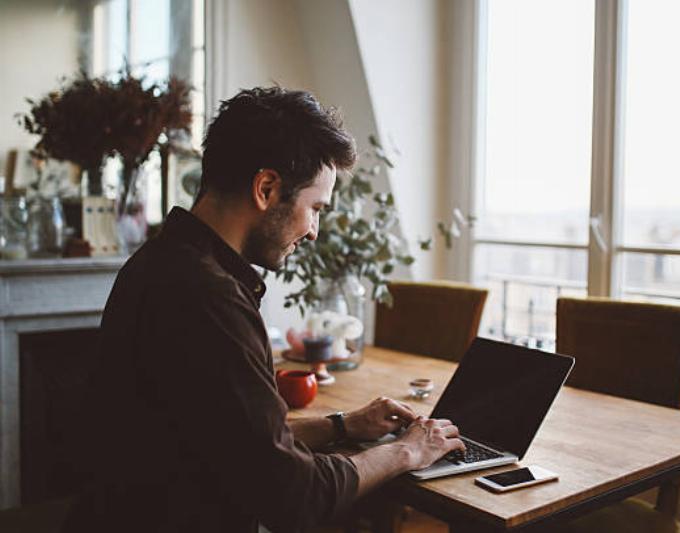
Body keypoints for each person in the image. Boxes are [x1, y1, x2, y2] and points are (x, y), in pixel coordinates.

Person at [62, 87, 465, 533]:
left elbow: (241, 444)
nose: (313, 231)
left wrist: (343, 425)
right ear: (267, 188)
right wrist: (406, 451)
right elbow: (294, 497)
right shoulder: (208, 297)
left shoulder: (161, 262)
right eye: (315, 208)